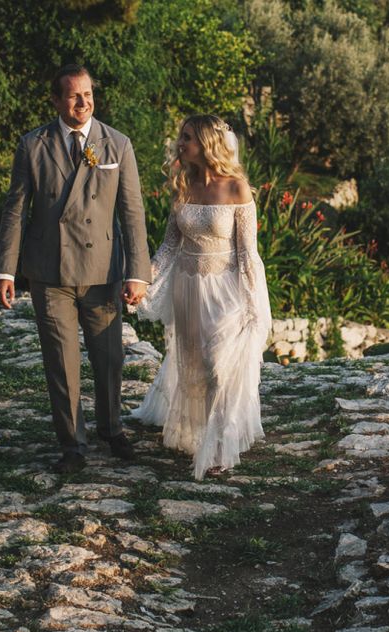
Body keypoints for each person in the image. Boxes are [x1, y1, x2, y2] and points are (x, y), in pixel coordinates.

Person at [0, 64, 152, 473]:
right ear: (55, 100)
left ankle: (112, 428)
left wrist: (138, 271)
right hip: (50, 271)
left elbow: (132, 212)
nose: (83, 102)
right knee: (61, 363)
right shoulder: (33, 145)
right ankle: (72, 445)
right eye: (73, 96)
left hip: (103, 271)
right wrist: (5, 271)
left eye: (88, 94)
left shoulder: (117, 144)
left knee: (109, 359)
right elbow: (16, 210)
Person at [133, 114, 272, 480]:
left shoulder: (236, 188)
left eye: (188, 138)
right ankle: (202, 437)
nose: (181, 143)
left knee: (218, 366)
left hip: (226, 289)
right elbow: (169, 245)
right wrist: (144, 277)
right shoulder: (183, 187)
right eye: (182, 136)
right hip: (188, 288)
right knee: (195, 370)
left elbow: (248, 253)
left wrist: (254, 301)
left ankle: (220, 449)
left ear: (207, 143)